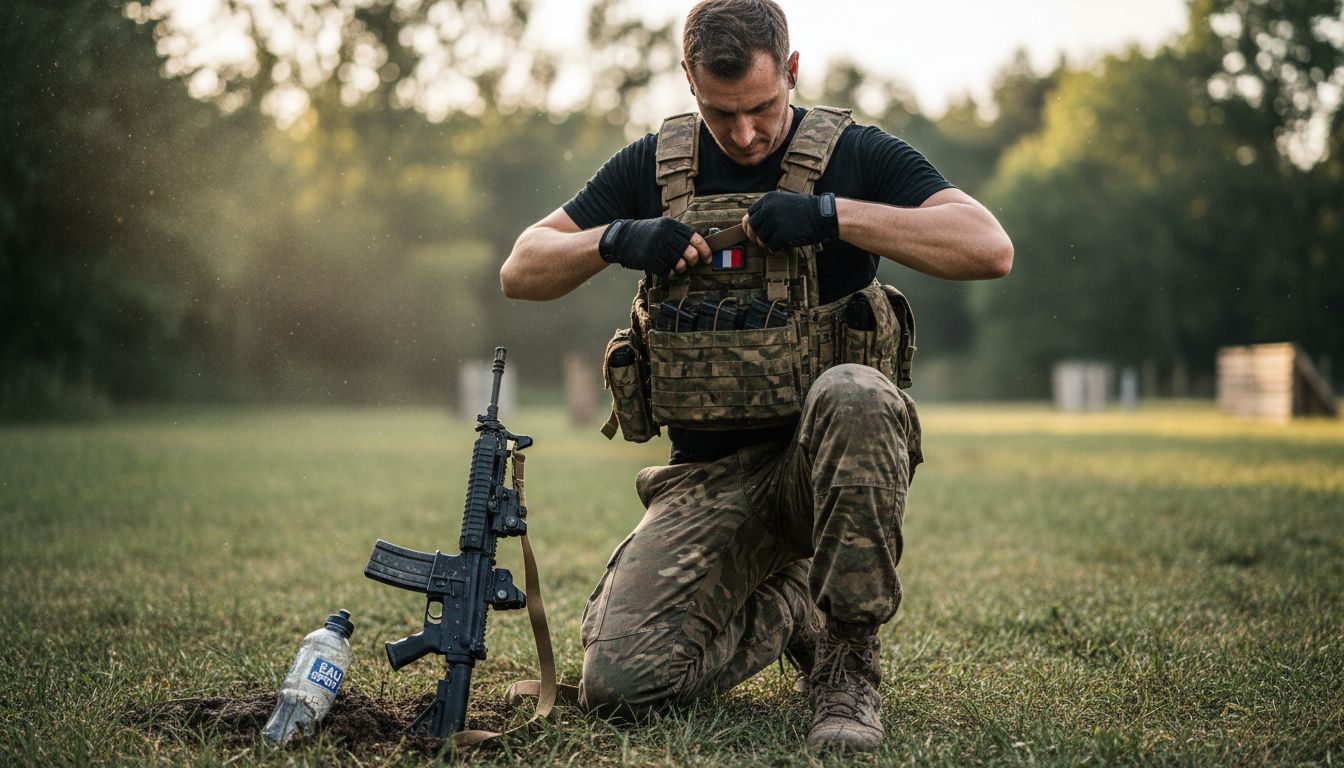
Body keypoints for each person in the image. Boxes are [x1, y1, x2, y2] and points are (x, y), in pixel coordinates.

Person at [500, 0, 1011, 752]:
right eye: (720, 113)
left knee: (856, 392)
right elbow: (522, 269)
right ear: (688, 82)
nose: (744, 134)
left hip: (823, 469)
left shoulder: (856, 154)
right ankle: (795, 606)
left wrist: (834, 215)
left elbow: (986, 246)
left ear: (793, 71)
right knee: (620, 687)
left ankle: (847, 662)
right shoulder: (653, 165)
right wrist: (615, 238)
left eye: (763, 108)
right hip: (705, 482)